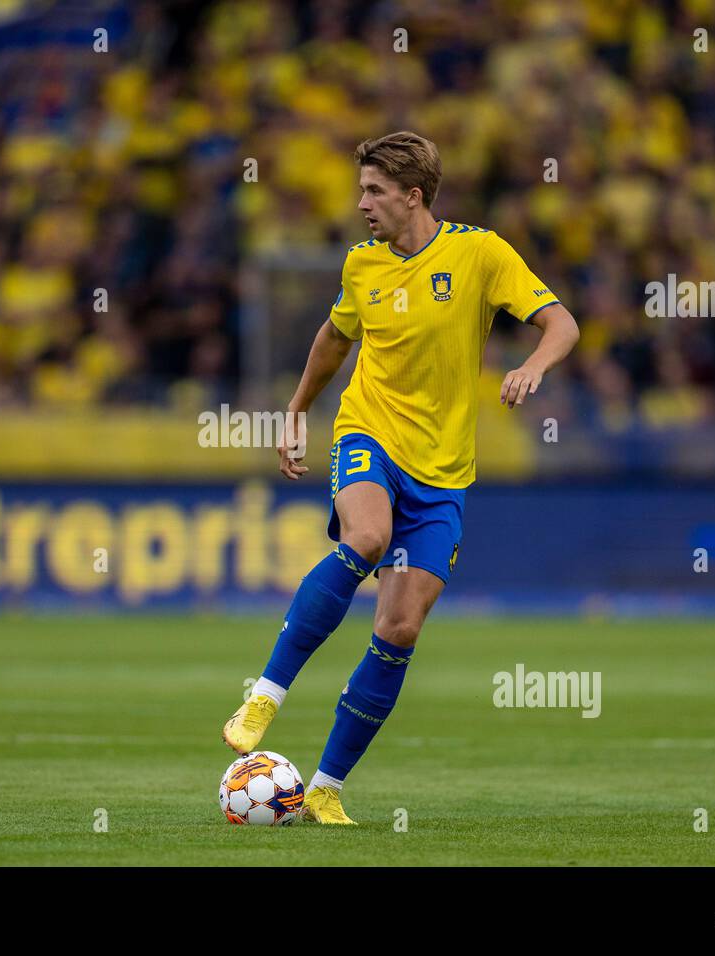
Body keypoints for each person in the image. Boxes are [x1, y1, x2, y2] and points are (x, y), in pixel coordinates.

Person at [222, 131, 580, 823]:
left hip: (443, 470)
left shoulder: (479, 253)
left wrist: (533, 365)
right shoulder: (362, 265)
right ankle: (266, 692)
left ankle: (326, 786)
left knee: (401, 627)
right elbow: (334, 338)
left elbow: (561, 322)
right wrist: (296, 410)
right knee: (366, 536)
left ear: (413, 196)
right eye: (362, 190)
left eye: (374, 192)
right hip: (368, 434)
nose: (361, 204)